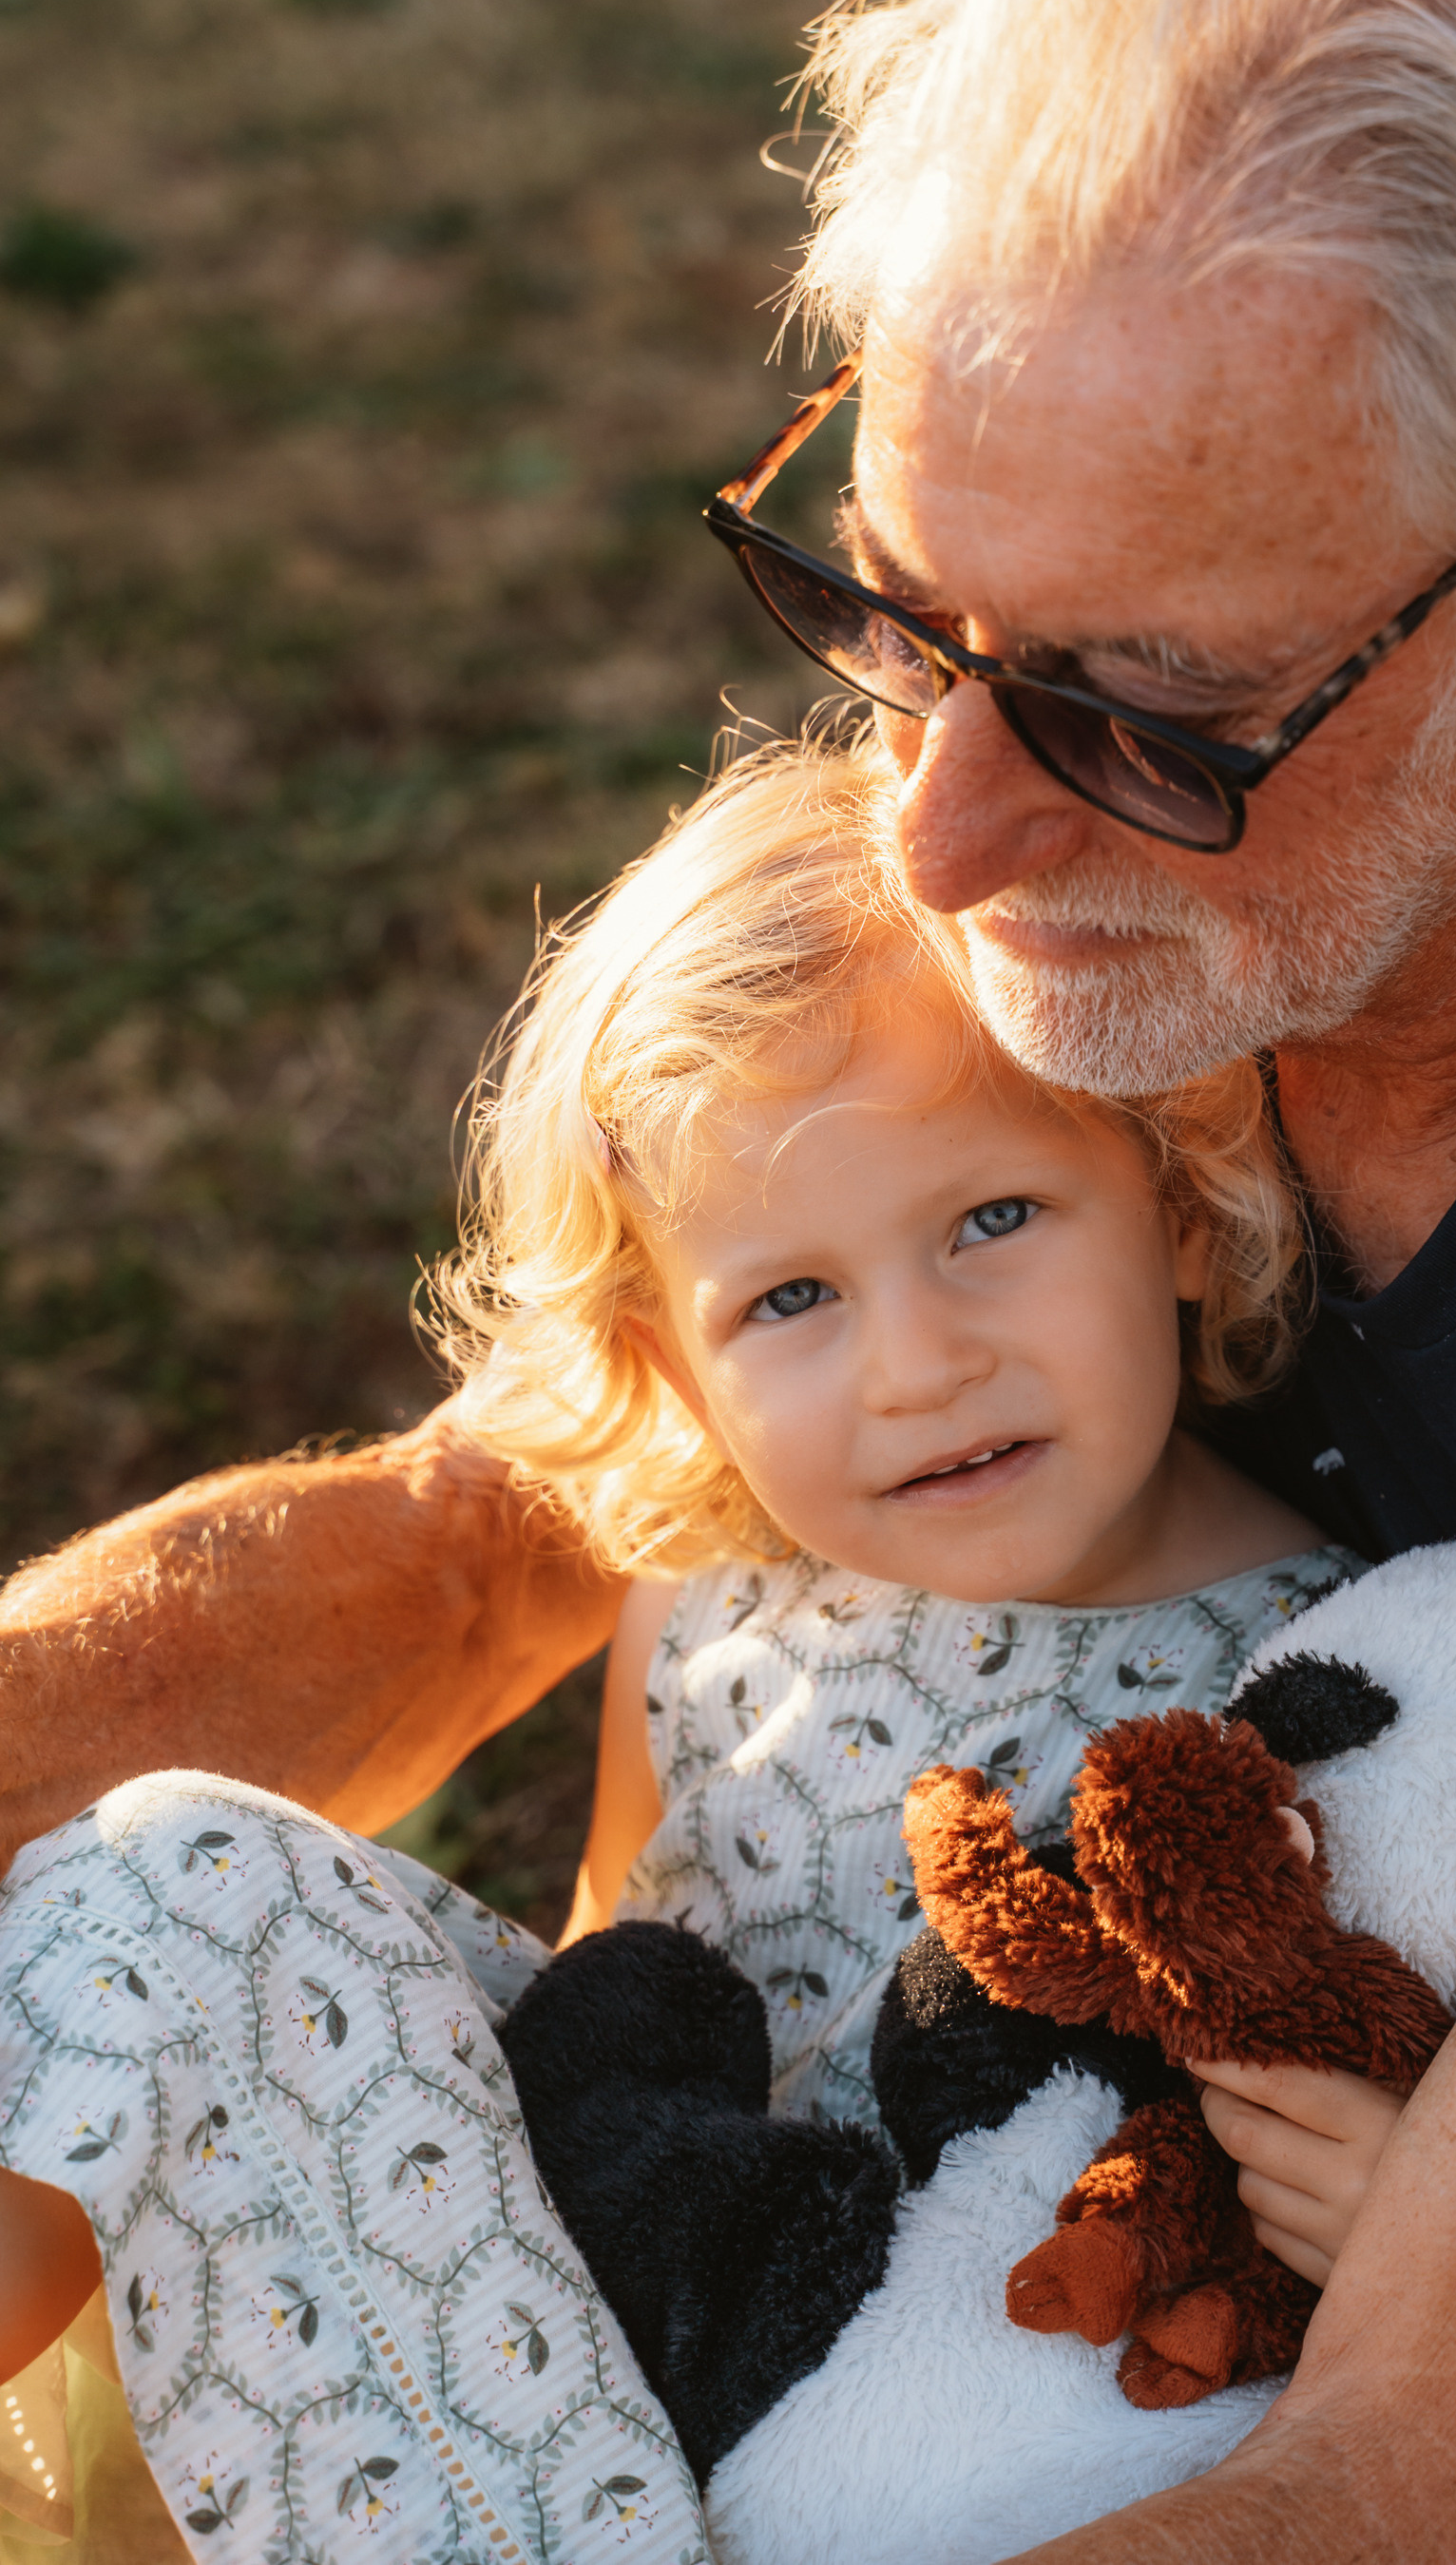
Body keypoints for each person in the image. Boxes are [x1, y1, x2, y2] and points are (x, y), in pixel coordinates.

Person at [4, 0, 1456, 2557]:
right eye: (896, 613)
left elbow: (1410, 2491)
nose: (947, 840)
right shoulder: (1143, 780)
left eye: (1138, 702)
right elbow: (516, 1517)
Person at [0, 736, 1374, 2553]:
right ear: (676, 1372)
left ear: (1181, 1213)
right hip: (550, 2406)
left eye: (992, 1221)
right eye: (792, 1297)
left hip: (944, 2448)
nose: (916, 1361)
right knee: (152, 1880)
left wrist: (1397, 2211)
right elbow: (608, 2007)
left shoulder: (1333, 1669)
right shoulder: (714, 1604)